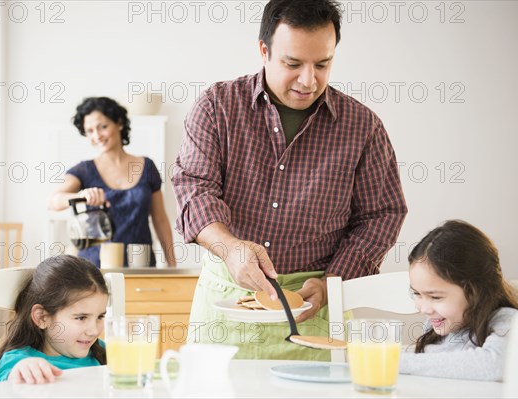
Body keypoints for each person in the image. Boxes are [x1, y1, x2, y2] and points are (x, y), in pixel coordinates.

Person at [171, 0, 407, 359]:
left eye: (322, 64)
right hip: (229, 295)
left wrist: (333, 282)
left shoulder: (363, 127)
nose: (308, 80)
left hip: (315, 304)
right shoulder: (217, 106)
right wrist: (231, 249)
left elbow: (382, 215)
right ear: (264, 50)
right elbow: (194, 187)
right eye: (293, 64)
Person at [48, 96, 176, 268]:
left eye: (103, 127)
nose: (97, 136)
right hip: (94, 268)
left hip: (139, 263)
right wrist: (81, 195)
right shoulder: (83, 170)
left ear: (119, 123)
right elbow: (53, 201)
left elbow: (160, 219)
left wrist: (172, 265)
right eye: (90, 131)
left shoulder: (147, 167)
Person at [399, 220, 518, 381]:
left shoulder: (507, 321)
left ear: (475, 290)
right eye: (417, 294)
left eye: (435, 297)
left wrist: (395, 362)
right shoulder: (435, 324)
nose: (424, 309)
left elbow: (495, 365)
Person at [0, 255, 109, 383]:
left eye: (100, 316)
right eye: (81, 318)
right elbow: (6, 389)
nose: (94, 331)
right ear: (42, 318)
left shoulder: (100, 349)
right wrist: (22, 372)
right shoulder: (19, 362)